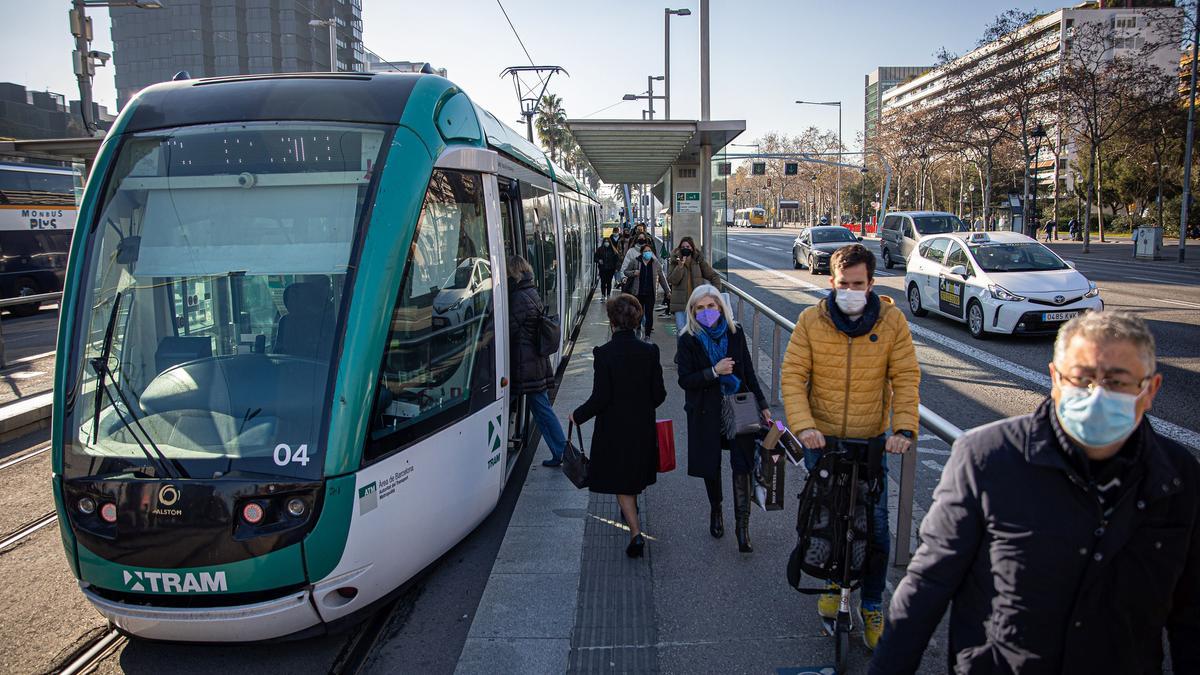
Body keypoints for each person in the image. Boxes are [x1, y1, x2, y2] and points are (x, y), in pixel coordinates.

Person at [871, 311, 1200, 675]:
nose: (1096, 395)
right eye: (1083, 378)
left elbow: (1191, 611)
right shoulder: (988, 458)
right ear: (1055, 379)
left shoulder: (1178, 476)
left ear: (1149, 390)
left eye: (1116, 382)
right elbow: (928, 585)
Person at [781, 243, 920, 650]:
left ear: (872, 283)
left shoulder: (892, 322)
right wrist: (804, 426)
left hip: (872, 441)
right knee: (826, 517)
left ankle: (873, 603)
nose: (851, 290)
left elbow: (906, 378)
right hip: (821, 441)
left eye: (859, 284)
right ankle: (830, 582)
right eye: (844, 283)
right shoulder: (811, 320)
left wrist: (904, 430)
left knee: (874, 526)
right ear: (832, 282)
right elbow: (793, 377)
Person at [676, 285, 772, 552]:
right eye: (700, 308)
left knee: (742, 464)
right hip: (706, 410)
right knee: (711, 464)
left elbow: (748, 370)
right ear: (693, 311)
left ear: (721, 307)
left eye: (712, 306)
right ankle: (716, 509)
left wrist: (762, 404)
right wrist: (713, 372)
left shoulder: (735, 332)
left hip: (738, 405)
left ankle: (743, 527)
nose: (707, 312)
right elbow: (685, 380)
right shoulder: (688, 339)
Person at [570, 294, 667, 558]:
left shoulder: (604, 354)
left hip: (613, 430)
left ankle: (636, 534)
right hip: (642, 428)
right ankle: (630, 514)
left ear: (612, 322)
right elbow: (659, 395)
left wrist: (577, 415)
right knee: (632, 477)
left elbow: (600, 398)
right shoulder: (650, 352)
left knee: (621, 481)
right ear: (636, 321)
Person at [507, 256, 568, 468]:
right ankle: (560, 451)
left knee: (542, 409)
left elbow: (510, 329)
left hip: (526, 365)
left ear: (513, 273)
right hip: (534, 362)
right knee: (541, 409)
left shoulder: (518, 298)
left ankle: (563, 451)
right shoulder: (530, 291)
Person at [667, 237, 721, 334]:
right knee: (681, 330)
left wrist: (715, 294)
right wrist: (680, 267)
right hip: (680, 304)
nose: (685, 249)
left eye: (688, 246)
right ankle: (682, 349)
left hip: (696, 303)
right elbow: (672, 280)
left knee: (697, 331)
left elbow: (714, 276)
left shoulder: (698, 261)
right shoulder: (675, 261)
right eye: (683, 247)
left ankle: (694, 349)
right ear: (679, 248)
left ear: (692, 248)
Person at [623, 244, 669, 338]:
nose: (648, 253)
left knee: (649, 314)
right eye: (645, 251)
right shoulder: (635, 261)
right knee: (639, 313)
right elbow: (626, 272)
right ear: (641, 252)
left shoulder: (656, 263)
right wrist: (633, 273)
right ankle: (638, 328)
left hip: (650, 293)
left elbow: (662, 278)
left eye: (649, 251)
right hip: (638, 292)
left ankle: (647, 335)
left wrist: (667, 291)